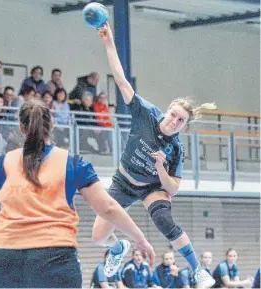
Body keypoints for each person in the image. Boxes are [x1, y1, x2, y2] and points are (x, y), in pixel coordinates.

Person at [0, 99, 155, 288]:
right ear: (51, 125)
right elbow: (108, 208)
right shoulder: (73, 163)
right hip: (54, 259)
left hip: (3, 260)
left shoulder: (5, 162)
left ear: (21, 129)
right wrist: (140, 238)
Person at [92, 22, 217, 289]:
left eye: (181, 120)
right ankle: (118, 249)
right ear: (167, 110)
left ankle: (199, 272)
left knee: (163, 220)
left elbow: (173, 187)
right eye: (173, 114)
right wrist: (108, 42)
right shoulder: (145, 113)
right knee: (99, 237)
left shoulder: (177, 149)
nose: (174, 121)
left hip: (152, 187)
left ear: (185, 125)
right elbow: (121, 79)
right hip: (123, 182)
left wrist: (161, 168)